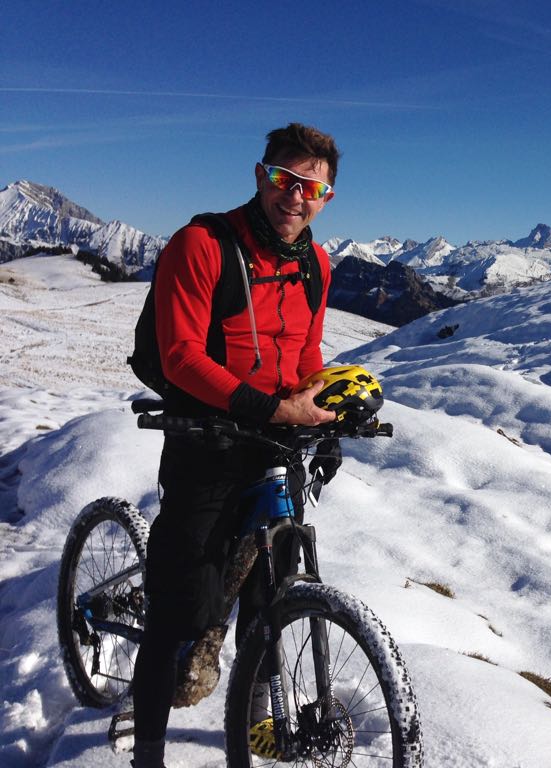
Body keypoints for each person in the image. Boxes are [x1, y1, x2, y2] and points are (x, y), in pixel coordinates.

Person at [130, 123, 342, 768]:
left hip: (272, 442)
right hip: (205, 437)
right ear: (260, 176)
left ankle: (252, 734)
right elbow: (182, 356)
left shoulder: (317, 262)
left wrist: (320, 413)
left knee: (265, 601)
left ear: (327, 197)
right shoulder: (202, 245)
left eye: (313, 188)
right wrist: (273, 407)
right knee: (181, 611)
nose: (296, 197)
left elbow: (305, 350)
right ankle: (147, 753)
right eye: (285, 179)